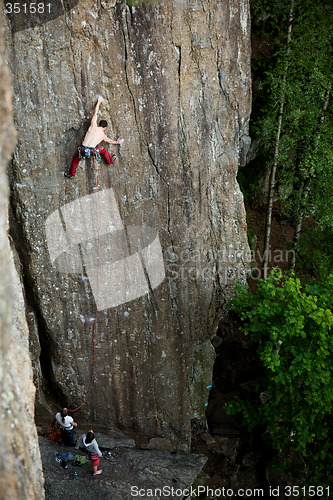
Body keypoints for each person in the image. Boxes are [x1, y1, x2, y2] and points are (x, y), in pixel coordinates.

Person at [65, 96, 123, 178]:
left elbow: (95, 112)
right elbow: (110, 141)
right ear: (105, 128)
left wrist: (99, 102)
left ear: (99, 124)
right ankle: (110, 161)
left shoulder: (93, 126)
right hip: (92, 151)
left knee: (75, 159)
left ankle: (71, 175)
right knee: (102, 150)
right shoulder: (103, 135)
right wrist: (117, 142)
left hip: (82, 149)